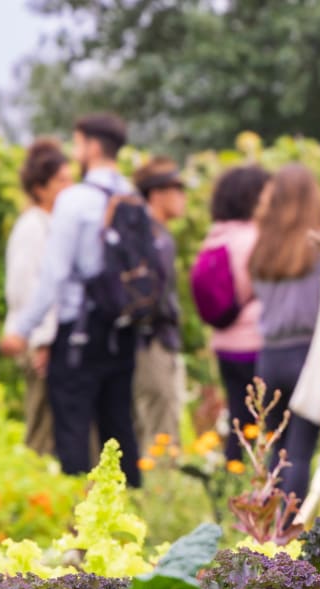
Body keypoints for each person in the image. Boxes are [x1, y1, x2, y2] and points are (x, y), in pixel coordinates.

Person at [0, 113, 143, 487]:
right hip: (124, 327)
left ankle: (76, 516)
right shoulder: (131, 194)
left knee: (73, 430)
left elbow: (55, 274)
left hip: (80, 329)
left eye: (77, 143)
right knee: (119, 426)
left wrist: (22, 329)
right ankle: (132, 513)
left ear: (92, 146)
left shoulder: (76, 200)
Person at [250, 164, 320, 501]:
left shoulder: (263, 247)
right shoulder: (319, 249)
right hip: (307, 354)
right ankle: (291, 528)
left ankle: (268, 522)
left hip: (269, 355)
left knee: (275, 451)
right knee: (300, 450)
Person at [2, 138, 73, 456]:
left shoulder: (54, 224)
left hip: (54, 338)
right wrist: (41, 339)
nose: (69, 188)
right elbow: (25, 289)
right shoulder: (32, 227)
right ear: (40, 188)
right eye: (61, 181)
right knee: (43, 427)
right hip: (41, 341)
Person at [202, 165, 271, 461]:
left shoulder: (216, 236)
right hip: (254, 341)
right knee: (260, 419)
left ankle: (232, 478)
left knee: (237, 419)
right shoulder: (255, 239)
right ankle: (257, 485)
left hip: (224, 343)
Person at [131, 157, 187, 455]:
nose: (183, 197)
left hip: (149, 341)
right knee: (161, 426)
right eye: (176, 188)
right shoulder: (152, 237)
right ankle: (161, 492)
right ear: (155, 194)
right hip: (152, 342)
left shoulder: (155, 234)